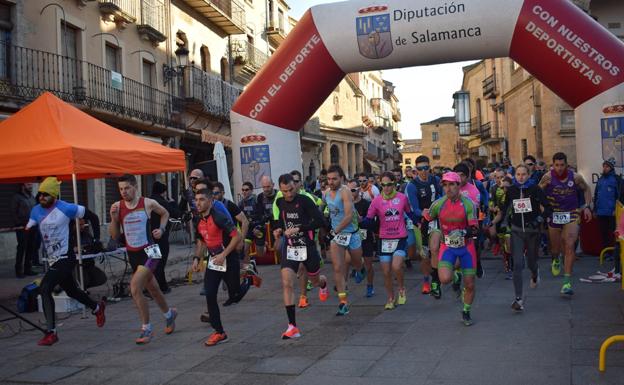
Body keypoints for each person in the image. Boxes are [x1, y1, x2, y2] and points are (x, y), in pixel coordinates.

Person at [27, 177, 106, 346]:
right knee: (72, 292)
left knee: (45, 288)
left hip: (65, 257)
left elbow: (93, 216)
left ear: (54, 195)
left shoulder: (66, 208)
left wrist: (97, 240)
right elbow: (29, 230)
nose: (41, 198)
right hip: (52, 259)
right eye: (40, 194)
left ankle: (51, 332)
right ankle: (97, 308)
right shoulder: (35, 210)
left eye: (46, 195)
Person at [109, 174, 177, 344]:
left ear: (135, 187)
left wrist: (161, 229)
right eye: (121, 189)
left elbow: (165, 213)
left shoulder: (147, 203)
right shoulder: (117, 206)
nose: (124, 192)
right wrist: (113, 219)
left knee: (134, 287)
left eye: (127, 188)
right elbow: (115, 235)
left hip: (151, 251)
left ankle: (146, 329)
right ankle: (169, 315)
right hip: (133, 254)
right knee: (153, 289)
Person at [272, 173, 329, 339]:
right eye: (284, 191)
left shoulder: (305, 201)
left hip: (307, 247)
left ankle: (323, 283)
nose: (288, 194)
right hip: (290, 248)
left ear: (295, 186)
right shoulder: (280, 201)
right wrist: (278, 230)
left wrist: (300, 229)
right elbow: (279, 221)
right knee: (287, 283)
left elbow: (320, 222)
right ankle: (292, 326)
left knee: (315, 281)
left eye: (291, 190)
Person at [493, 165, 552, 311]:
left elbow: (548, 208)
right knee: (518, 264)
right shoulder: (512, 190)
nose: (521, 177)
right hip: (516, 231)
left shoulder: (535, 189)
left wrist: (538, 220)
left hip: (532, 231)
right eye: (518, 174)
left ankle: (534, 272)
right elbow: (505, 208)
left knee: (532, 261)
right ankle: (518, 299)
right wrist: (500, 222)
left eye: (524, 174)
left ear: (529, 175)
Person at [424, 172, 479, 326]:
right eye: (445, 185)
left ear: (458, 185)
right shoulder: (438, 204)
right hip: (447, 246)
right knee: (445, 279)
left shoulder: (469, 204)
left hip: (466, 247)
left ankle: (466, 311)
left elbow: (475, 229)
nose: (448, 188)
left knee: (470, 284)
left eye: (452, 185)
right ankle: (455, 274)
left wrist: (463, 232)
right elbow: (427, 219)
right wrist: (424, 240)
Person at [191, 187, 242, 346]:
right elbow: (201, 240)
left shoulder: (219, 217)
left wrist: (224, 254)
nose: (198, 203)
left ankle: (248, 280)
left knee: (234, 296)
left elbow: (236, 236)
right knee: (210, 294)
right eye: (196, 200)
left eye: (202, 200)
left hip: (229, 258)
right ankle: (219, 332)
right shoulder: (197, 220)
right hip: (214, 261)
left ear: (210, 201)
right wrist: (197, 258)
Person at [539, 152, 593, 296]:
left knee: (569, 245)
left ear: (566, 165)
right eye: (557, 165)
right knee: (555, 248)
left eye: (562, 165)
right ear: (553, 165)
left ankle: (567, 282)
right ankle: (556, 259)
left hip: (572, 213)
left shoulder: (575, 177)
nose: (560, 168)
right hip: (554, 213)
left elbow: (587, 189)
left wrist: (587, 206)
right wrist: (544, 210)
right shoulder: (547, 177)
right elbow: (538, 193)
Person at [364, 172, 416, 310]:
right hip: (384, 239)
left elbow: (410, 213)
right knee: (386, 272)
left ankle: (401, 288)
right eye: (383, 185)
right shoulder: (376, 201)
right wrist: (359, 222)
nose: (386, 188)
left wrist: (420, 221)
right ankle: (390, 298)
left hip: (400, 237)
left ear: (394, 184)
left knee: (397, 266)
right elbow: (369, 220)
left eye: (389, 184)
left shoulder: (402, 198)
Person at [325, 165, 365, 315]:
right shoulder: (327, 193)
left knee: (356, 262)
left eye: (334, 179)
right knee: (338, 268)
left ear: (341, 178)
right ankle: (343, 302)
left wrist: (335, 230)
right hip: (337, 236)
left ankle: (360, 269)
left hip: (352, 233)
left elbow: (348, 216)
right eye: (329, 179)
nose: (331, 182)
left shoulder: (346, 192)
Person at [405, 155, 443, 296]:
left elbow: (443, 196)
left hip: (437, 219)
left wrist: (437, 207)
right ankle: (426, 280)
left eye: (426, 168)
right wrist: (424, 214)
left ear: (430, 168)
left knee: (434, 249)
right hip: (421, 221)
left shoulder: (436, 180)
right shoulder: (412, 186)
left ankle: (436, 279)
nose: (424, 171)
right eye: (420, 169)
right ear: (416, 170)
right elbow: (414, 208)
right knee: (424, 255)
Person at [150, 181, 181, 294]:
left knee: (153, 262)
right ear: (163, 192)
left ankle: (156, 286)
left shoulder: (148, 202)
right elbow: (176, 214)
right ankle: (161, 287)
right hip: (161, 237)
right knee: (160, 262)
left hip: (150, 238)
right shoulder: (162, 202)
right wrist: (173, 203)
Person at [593, 157, 622, 277]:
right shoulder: (600, 180)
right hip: (601, 212)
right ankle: (606, 253)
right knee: (603, 232)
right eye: (603, 166)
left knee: (613, 234)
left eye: (606, 166)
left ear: (611, 167)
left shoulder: (616, 179)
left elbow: (619, 195)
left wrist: (617, 210)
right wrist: (595, 209)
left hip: (612, 213)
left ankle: (613, 254)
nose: (604, 168)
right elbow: (596, 195)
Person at [348, 179, 376, 297]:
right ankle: (357, 271)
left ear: (359, 190)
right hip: (350, 237)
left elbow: (372, 223)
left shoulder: (366, 204)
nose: (350, 192)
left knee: (369, 264)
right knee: (348, 261)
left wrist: (362, 220)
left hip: (365, 237)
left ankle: (370, 286)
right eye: (347, 190)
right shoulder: (345, 204)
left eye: (353, 190)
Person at [11, 183, 39, 277]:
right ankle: (18, 271)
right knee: (22, 248)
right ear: (22, 185)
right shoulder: (17, 197)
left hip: (33, 226)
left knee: (30, 248)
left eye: (31, 184)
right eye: (28, 184)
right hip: (22, 227)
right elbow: (13, 212)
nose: (30, 186)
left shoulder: (31, 197)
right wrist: (19, 224)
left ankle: (28, 269)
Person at [253, 176, 278, 259]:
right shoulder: (259, 197)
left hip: (276, 223)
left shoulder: (279, 195)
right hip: (263, 223)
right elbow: (257, 214)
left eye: (268, 186)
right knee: (260, 253)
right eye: (264, 187)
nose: (266, 189)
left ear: (273, 185)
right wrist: (256, 227)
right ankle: (265, 244)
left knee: (278, 247)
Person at [238, 181, 258, 267]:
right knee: (244, 250)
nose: (244, 192)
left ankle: (251, 263)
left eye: (246, 190)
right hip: (248, 229)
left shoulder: (257, 200)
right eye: (243, 190)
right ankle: (248, 270)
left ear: (251, 190)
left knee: (261, 251)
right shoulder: (240, 203)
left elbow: (261, 215)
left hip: (258, 227)